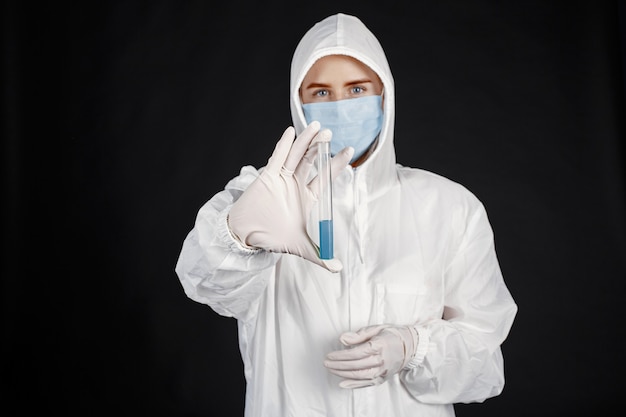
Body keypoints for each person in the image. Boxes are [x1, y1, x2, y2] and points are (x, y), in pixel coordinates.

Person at [175, 13, 517, 417]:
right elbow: (204, 284)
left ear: (384, 94)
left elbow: (483, 366)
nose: (340, 105)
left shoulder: (449, 207)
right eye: (320, 92)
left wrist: (412, 347)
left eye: (357, 89)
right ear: (297, 101)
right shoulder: (263, 195)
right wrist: (237, 235)